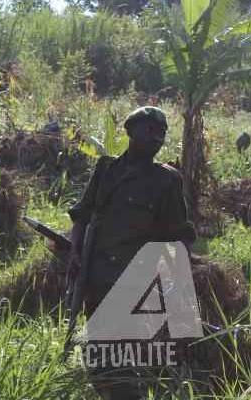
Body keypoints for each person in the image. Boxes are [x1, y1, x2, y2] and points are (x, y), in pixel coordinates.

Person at [67, 106, 196, 399]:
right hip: (97, 279)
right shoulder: (106, 170)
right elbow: (82, 216)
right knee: (98, 358)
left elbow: (180, 238)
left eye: (162, 133)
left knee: (123, 362)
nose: (157, 138)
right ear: (131, 131)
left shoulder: (166, 181)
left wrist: (178, 285)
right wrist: (75, 254)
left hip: (137, 286)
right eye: (150, 130)